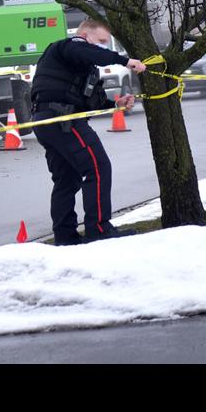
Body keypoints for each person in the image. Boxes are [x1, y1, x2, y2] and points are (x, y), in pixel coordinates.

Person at [28, 19, 147, 244]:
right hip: (62, 120)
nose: (103, 46)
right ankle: (100, 231)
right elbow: (86, 52)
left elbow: (90, 99)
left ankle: (65, 237)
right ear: (84, 34)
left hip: (50, 121)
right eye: (101, 41)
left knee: (67, 179)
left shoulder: (82, 66)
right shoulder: (68, 46)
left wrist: (115, 104)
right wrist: (125, 61)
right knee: (98, 168)